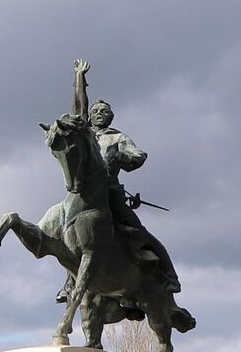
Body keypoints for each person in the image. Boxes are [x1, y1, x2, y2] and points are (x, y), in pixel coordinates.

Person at [56, 59, 180, 302]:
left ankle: (169, 274)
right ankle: (68, 284)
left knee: (139, 231)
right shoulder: (86, 134)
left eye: (104, 112)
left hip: (109, 192)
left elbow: (138, 156)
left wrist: (122, 156)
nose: (99, 114)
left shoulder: (118, 137)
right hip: (81, 192)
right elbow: (78, 108)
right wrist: (79, 79)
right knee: (63, 233)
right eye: (96, 112)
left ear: (110, 117)